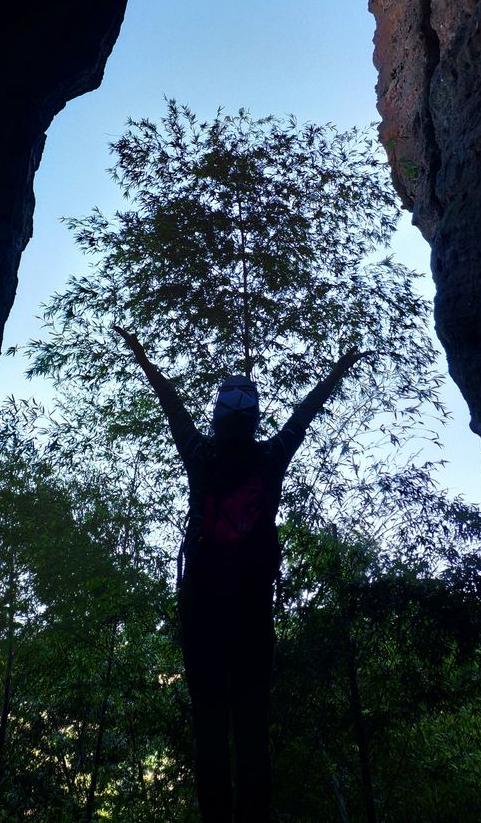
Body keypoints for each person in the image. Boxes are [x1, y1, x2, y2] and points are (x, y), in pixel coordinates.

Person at [115, 327, 368, 823]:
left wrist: (142, 355)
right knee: (251, 724)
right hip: (251, 608)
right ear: (252, 420)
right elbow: (305, 413)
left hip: (202, 605)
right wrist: (339, 368)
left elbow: (169, 402)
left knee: (208, 723)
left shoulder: (200, 455)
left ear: (218, 416)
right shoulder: (271, 458)